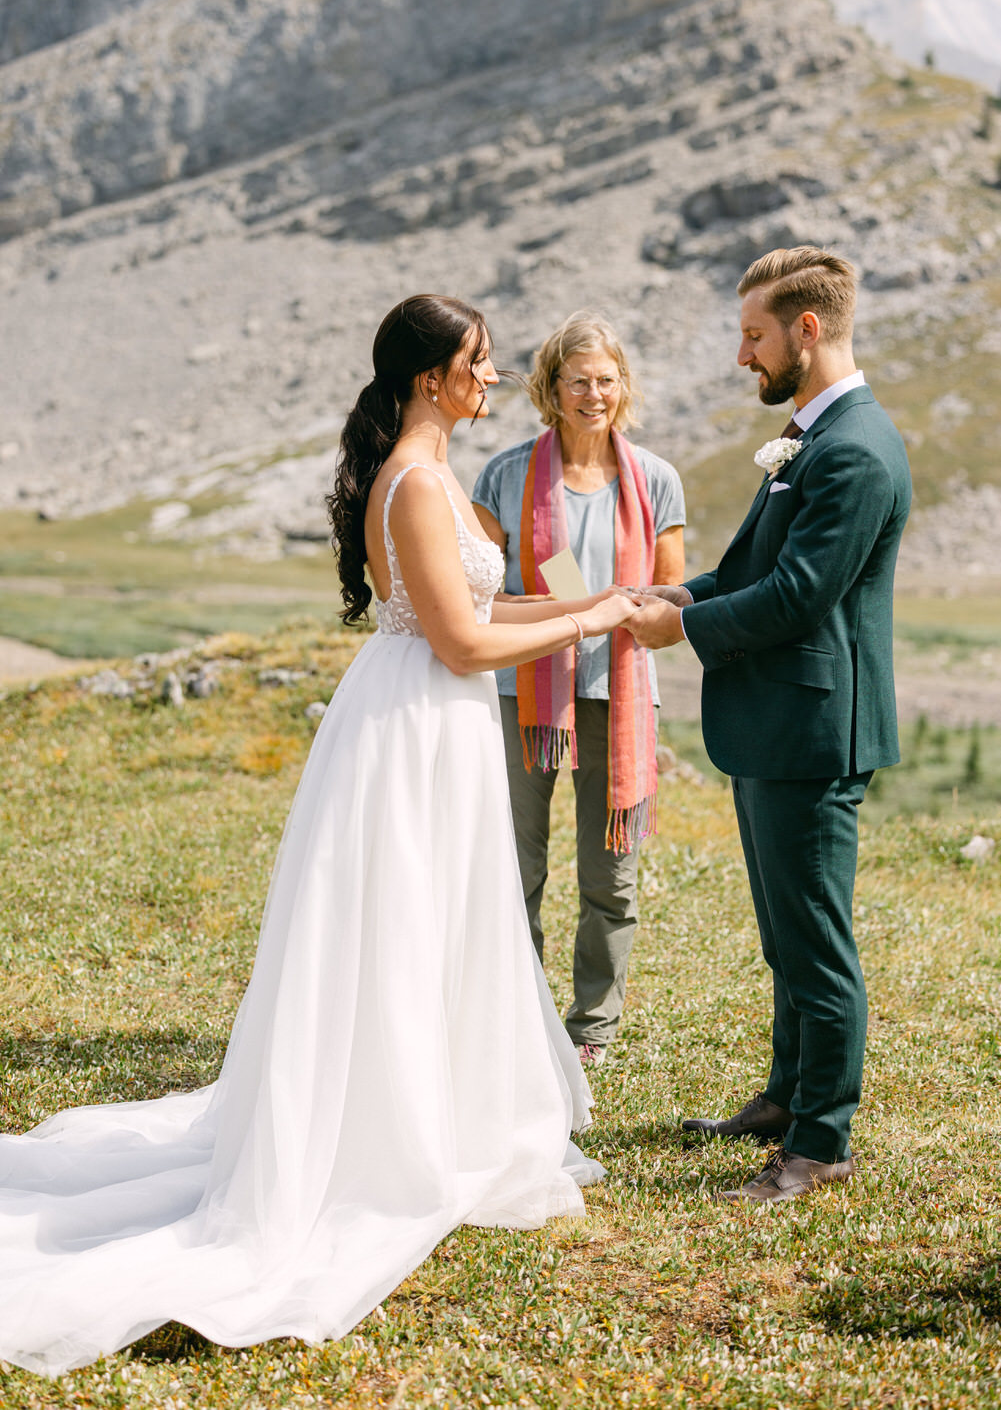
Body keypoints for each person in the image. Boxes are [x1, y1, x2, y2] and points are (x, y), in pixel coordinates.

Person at [0, 296, 642, 1377]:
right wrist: (592, 619)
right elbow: (457, 641)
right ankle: (387, 1138)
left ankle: (436, 1112)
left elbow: (488, 612)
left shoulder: (422, 478)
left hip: (422, 725)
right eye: (479, 366)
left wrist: (608, 597)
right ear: (433, 377)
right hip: (415, 729)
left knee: (433, 925)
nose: (492, 381)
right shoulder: (419, 483)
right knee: (398, 927)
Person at [626, 247, 911, 1203]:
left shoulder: (857, 448)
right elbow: (757, 566)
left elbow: (796, 596)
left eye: (753, 335)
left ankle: (821, 1141)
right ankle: (787, 1098)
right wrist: (683, 589)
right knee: (784, 933)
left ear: (807, 329)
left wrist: (682, 626)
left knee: (816, 941)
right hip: (777, 725)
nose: (742, 355)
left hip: (814, 732)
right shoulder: (811, 436)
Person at [472, 313, 685, 1066]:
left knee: (610, 874)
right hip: (520, 687)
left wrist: (615, 610)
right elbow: (483, 588)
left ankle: (591, 1025)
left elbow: (667, 593)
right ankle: (514, 1011)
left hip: (619, 691)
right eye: (577, 381)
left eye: (605, 380)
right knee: (513, 865)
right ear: (550, 388)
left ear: (621, 386)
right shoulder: (503, 473)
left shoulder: (655, 478)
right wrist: (584, 608)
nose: (593, 394)